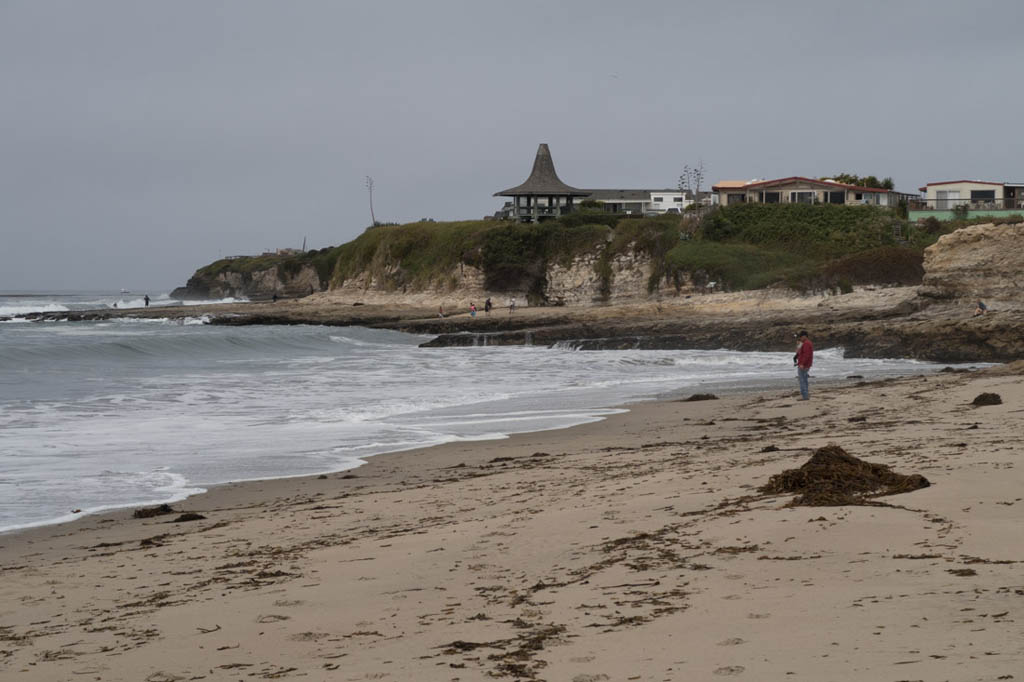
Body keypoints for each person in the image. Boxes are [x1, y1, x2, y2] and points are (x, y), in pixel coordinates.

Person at [795, 330, 813, 401]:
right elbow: (798, 352)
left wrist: (802, 363)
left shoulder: (807, 344)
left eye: (801, 337)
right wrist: (799, 345)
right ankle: (805, 395)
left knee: (802, 380)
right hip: (804, 364)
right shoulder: (804, 343)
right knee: (804, 380)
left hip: (804, 364)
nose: (800, 338)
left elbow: (806, 355)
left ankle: (805, 396)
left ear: (804, 336)